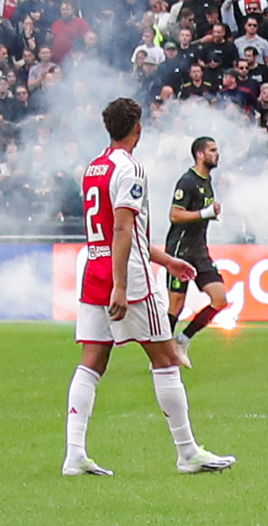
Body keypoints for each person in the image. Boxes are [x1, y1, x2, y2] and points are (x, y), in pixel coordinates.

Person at [64, 97, 234, 477]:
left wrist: (167, 260)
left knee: (92, 362)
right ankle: (187, 453)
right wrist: (122, 286)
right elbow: (124, 229)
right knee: (167, 359)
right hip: (128, 277)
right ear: (137, 128)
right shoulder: (131, 169)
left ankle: (74, 454)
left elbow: (118, 231)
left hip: (93, 266)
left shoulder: (94, 168)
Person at [164, 136, 227, 366]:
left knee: (220, 299)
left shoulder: (207, 181)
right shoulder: (187, 182)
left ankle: (182, 339)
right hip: (180, 249)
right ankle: (162, 354)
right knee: (176, 304)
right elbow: (175, 214)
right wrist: (204, 213)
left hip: (200, 250)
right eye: (212, 150)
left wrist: (211, 212)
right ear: (200, 154)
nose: (216, 153)